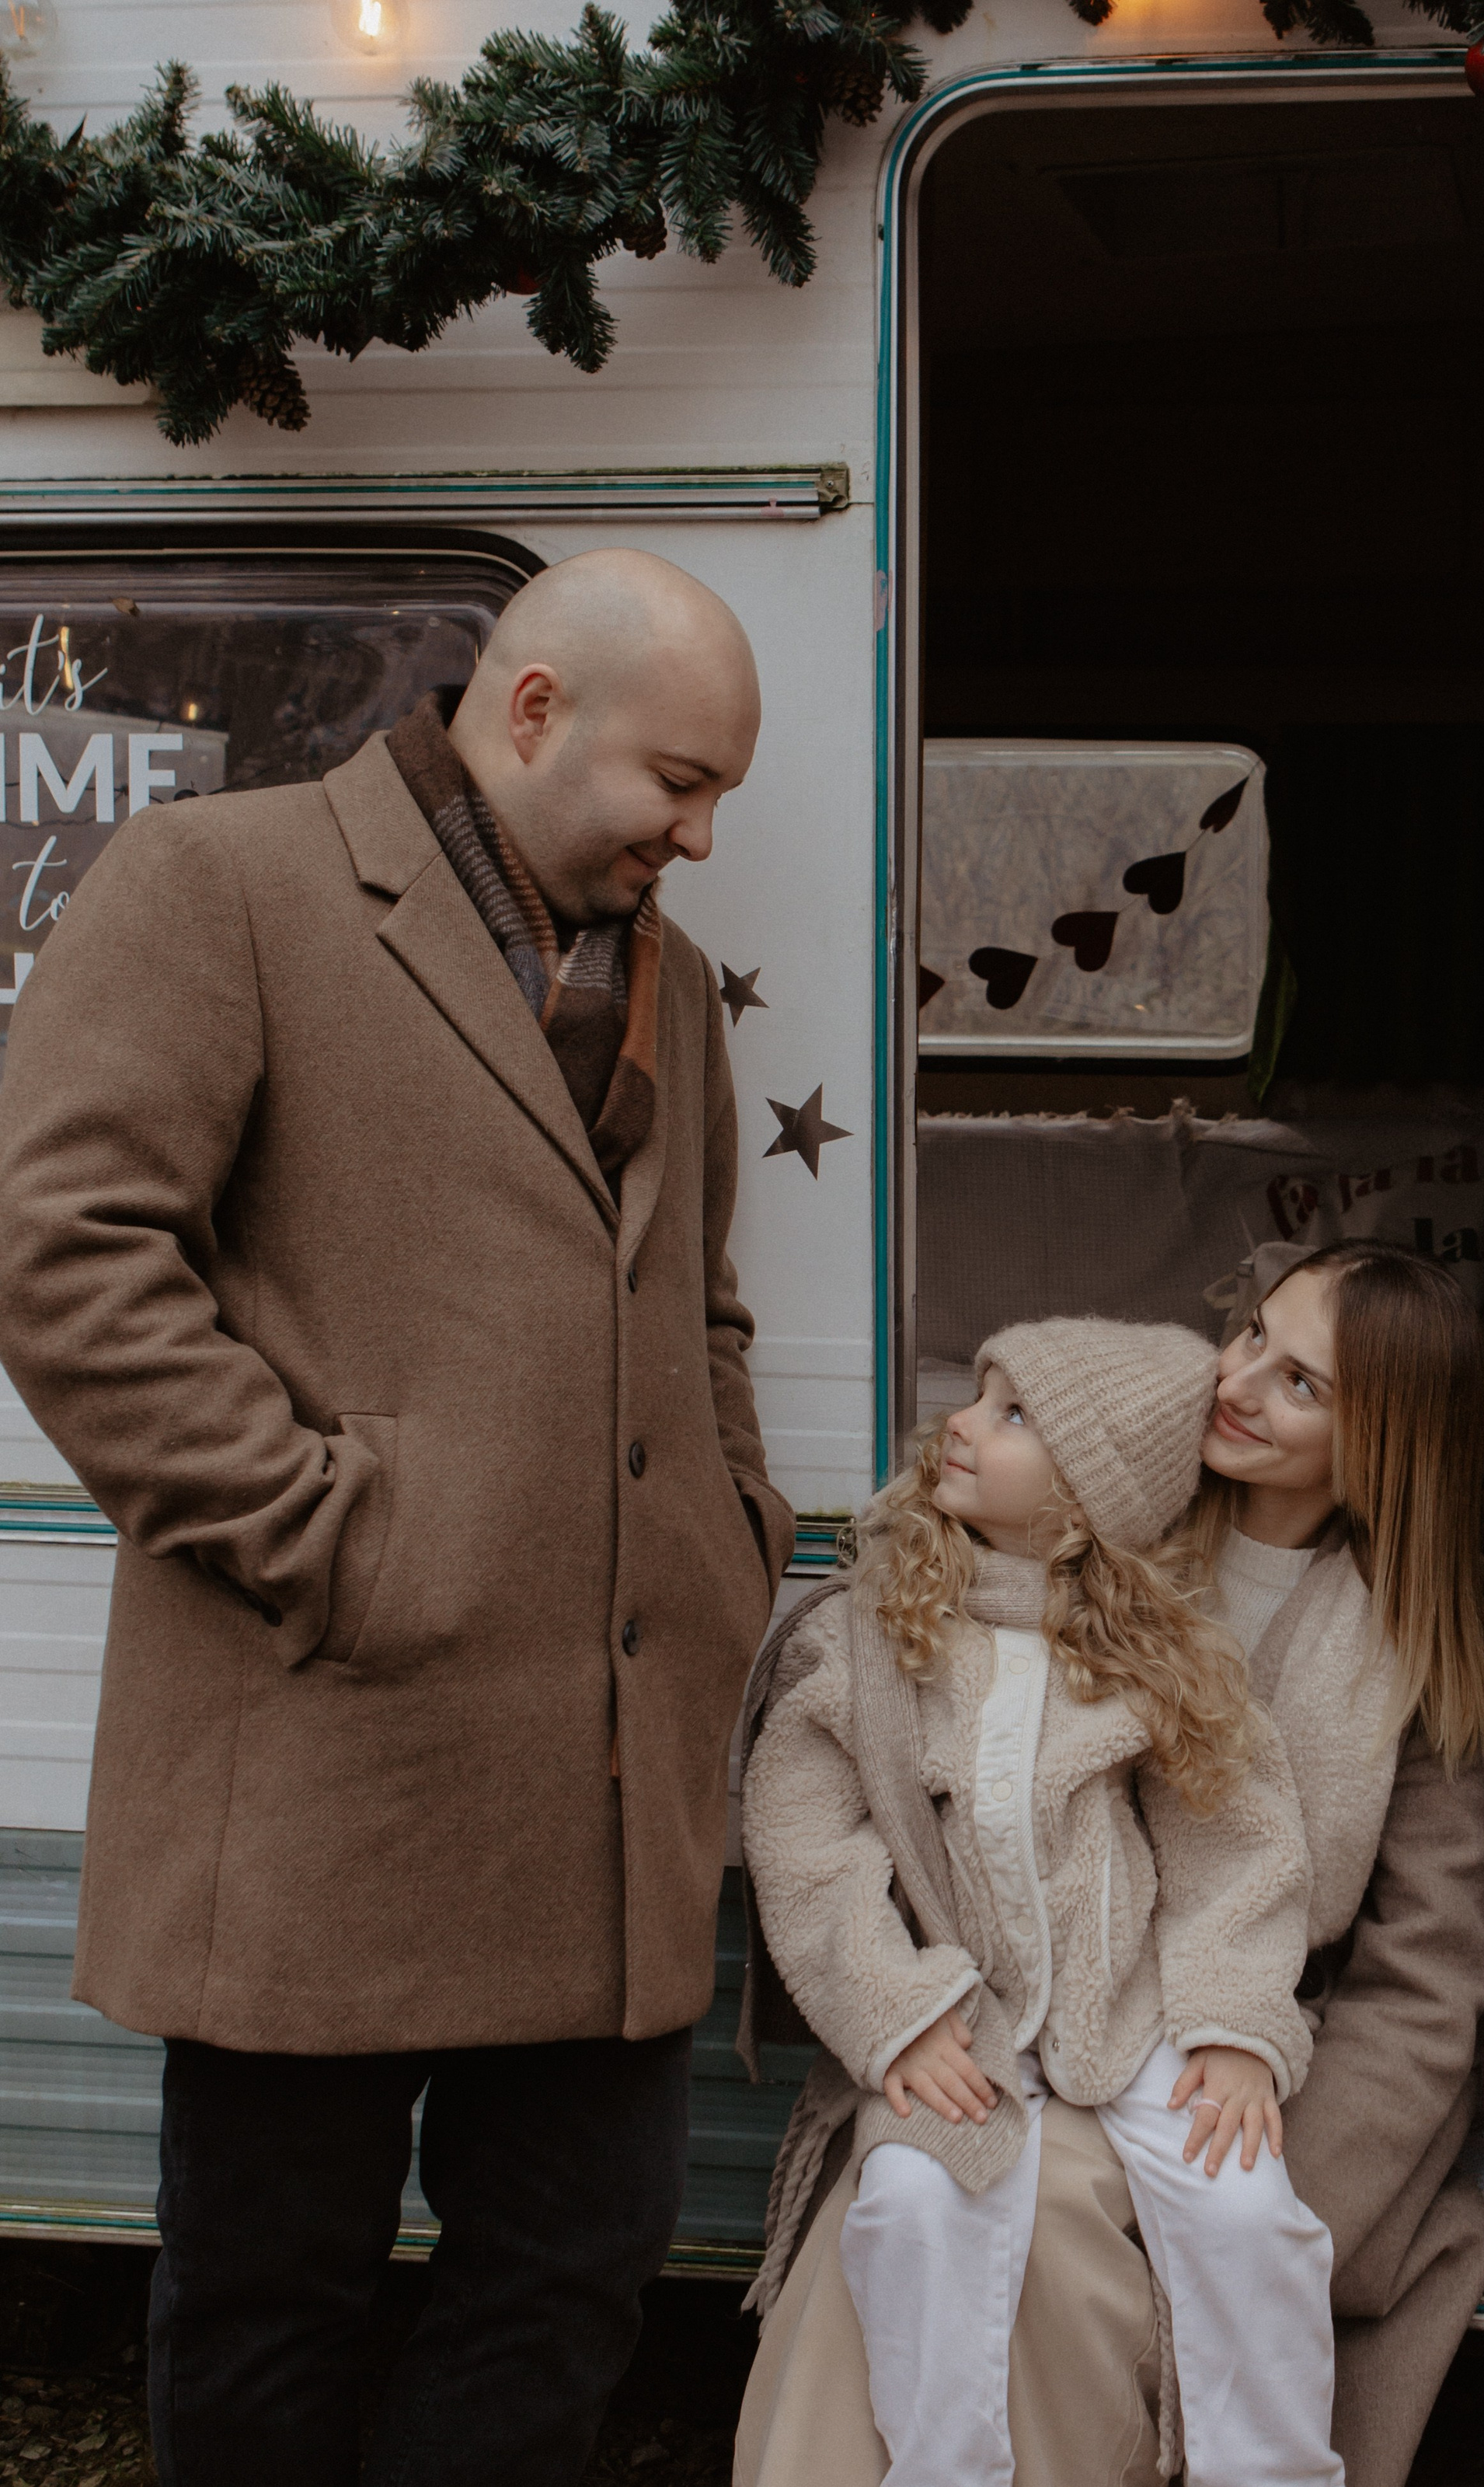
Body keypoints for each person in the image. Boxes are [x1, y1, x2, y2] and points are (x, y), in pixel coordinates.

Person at [0, 549, 796, 2487]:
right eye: (676, 784)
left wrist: (725, 1529)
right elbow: (65, 1256)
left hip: (601, 1786)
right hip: (319, 1764)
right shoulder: (223, 885)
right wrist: (324, 1531)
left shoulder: (670, 986)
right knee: (274, 2299)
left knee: (573, 2276)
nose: (696, 835)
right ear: (534, 713)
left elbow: (693, 1295)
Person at [734, 1240, 1484, 2487]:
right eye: (1253, 1334)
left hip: (1215, 2040)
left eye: (1302, 1384)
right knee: (929, 2199)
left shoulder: (1411, 1654)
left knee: (1113, 2217)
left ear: (1382, 1445)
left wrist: (1258, 2114)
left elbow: (1426, 1981)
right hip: (1001, 1998)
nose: (1240, 1384)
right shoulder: (1099, 1523)